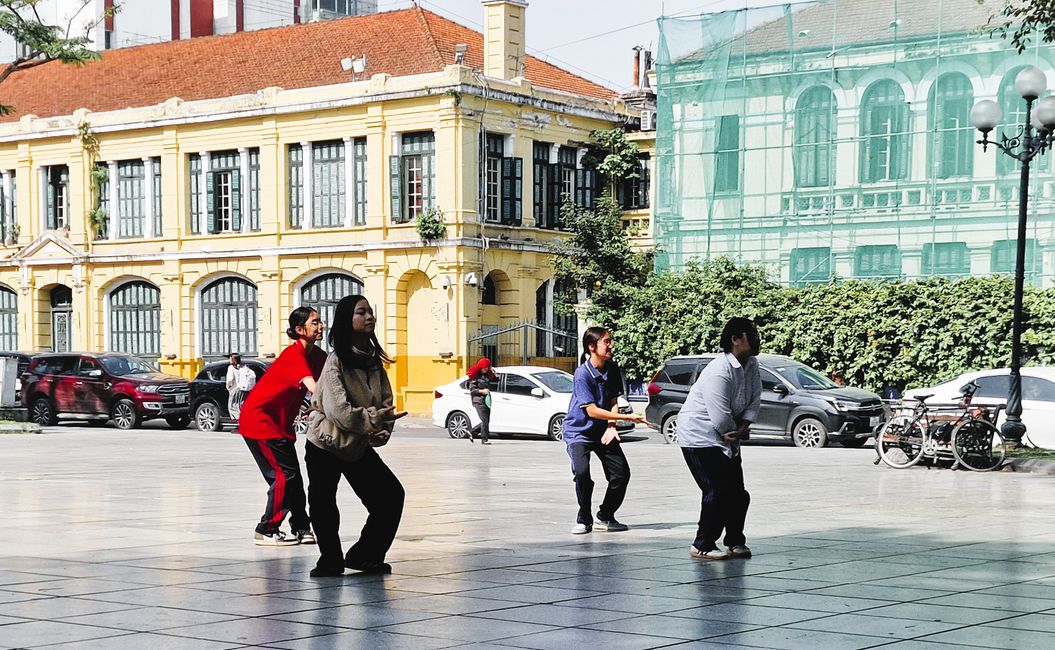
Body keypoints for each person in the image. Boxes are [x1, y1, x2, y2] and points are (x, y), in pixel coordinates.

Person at [305, 294, 407, 577]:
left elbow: (386, 403)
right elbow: (340, 412)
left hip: (355, 445)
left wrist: (383, 429)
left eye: (370, 312)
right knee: (323, 502)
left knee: (390, 496)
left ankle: (365, 555)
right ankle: (330, 560)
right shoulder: (336, 361)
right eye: (361, 312)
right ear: (347, 321)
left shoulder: (373, 363)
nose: (369, 317)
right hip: (324, 443)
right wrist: (374, 419)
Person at [237, 307, 327, 546]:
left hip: (280, 425)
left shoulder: (318, 356)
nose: (320, 327)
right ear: (300, 330)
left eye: (320, 322)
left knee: (293, 477)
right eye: (315, 323)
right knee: (284, 475)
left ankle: (301, 526)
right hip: (260, 422)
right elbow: (315, 387)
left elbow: (332, 380)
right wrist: (322, 402)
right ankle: (266, 529)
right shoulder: (293, 355)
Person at [677, 317, 761, 561]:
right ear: (735, 340)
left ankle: (735, 541)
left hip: (729, 436)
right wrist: (732, 430)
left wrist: (743, 427)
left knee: (738, 493)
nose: (756, 339)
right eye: (751, 334)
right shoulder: (718, 370)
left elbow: (754, 400)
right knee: (716, 490)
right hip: (699, 435)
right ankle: (702, 543)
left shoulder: (752, 365)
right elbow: (719, 414)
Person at [563, 326, 648, 535]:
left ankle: (605, 516)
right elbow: (591, 411)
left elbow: (613, 400)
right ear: (592, 347)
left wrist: (612, 426)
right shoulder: (582, 374)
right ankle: (584, 519)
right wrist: (627, 417)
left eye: (610, 341)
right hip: (579, 432)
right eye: (606, 342)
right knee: (582, 473)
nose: (610, 345)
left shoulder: (612, 368)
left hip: (603, 431)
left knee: (621, 474)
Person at [467, 357, 497, 444]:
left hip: (486, 400)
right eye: (484, 368)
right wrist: (482, 391)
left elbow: (496, 380)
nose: (486, 369)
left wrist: (493, 371)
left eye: (487, 367)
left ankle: (471, 432)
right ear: (481, 367)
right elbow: (472, 391)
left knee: (486, 420)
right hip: (478, 400)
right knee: (484, 420)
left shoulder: (487, 375)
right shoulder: (475, 376)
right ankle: (484, 439)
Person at [226, 353, 257, 420]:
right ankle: (246, 421)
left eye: (230, 358)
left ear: (232, 359)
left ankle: (239, 423)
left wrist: (228, 387)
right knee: (242, 407)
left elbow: (230, 379)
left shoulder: (231, 368)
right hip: (245, 390)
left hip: (235, 391)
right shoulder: (243, 366)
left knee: (233, 407)